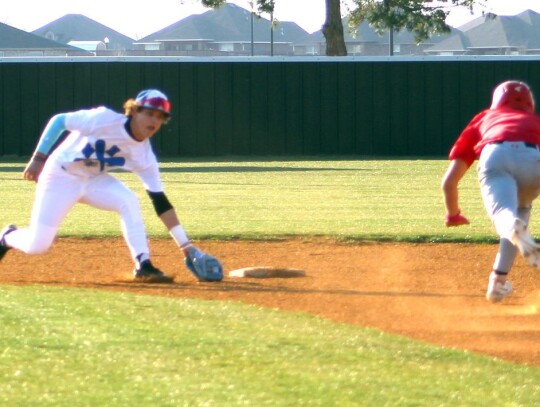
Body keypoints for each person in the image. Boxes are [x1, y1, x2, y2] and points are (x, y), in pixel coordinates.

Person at [0, 89, 223, 283]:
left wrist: (187, 247)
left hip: (94, 180)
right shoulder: (103, 119)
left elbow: (160, 202)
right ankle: (7, 236)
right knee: (37, 246)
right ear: (134, 110)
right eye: (149, 113)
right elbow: (59, 121)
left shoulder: (144, 156)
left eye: (160, 117)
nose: (154, 120)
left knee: (129, 200)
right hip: (61, 175)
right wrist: (39, 158)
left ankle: (143, 265)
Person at [442, 80, 540, 303]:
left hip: (496, 154)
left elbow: (449, 181)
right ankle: (497, 284)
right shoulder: (535, 122)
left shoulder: (485, 118)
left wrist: (453, 213)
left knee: (505, 217)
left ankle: (512, 226)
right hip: (534, 158)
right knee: (520, 213)